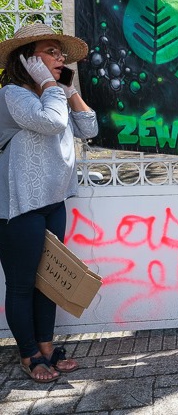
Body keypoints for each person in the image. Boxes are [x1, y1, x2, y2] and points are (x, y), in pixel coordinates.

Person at [0, 22, 98, 382]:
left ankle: (46, 346)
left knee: (48, 282)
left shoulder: (53, 93)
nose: (60, 58)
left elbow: (88, 128)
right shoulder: (13, 94)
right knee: (23, 283)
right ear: (29, 60)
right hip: (19, 206)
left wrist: (69, 91)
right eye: (51, 52)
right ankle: (28, 355)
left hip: (53, 202)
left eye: (61, 53)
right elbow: (54, 123)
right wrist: (47, 86)